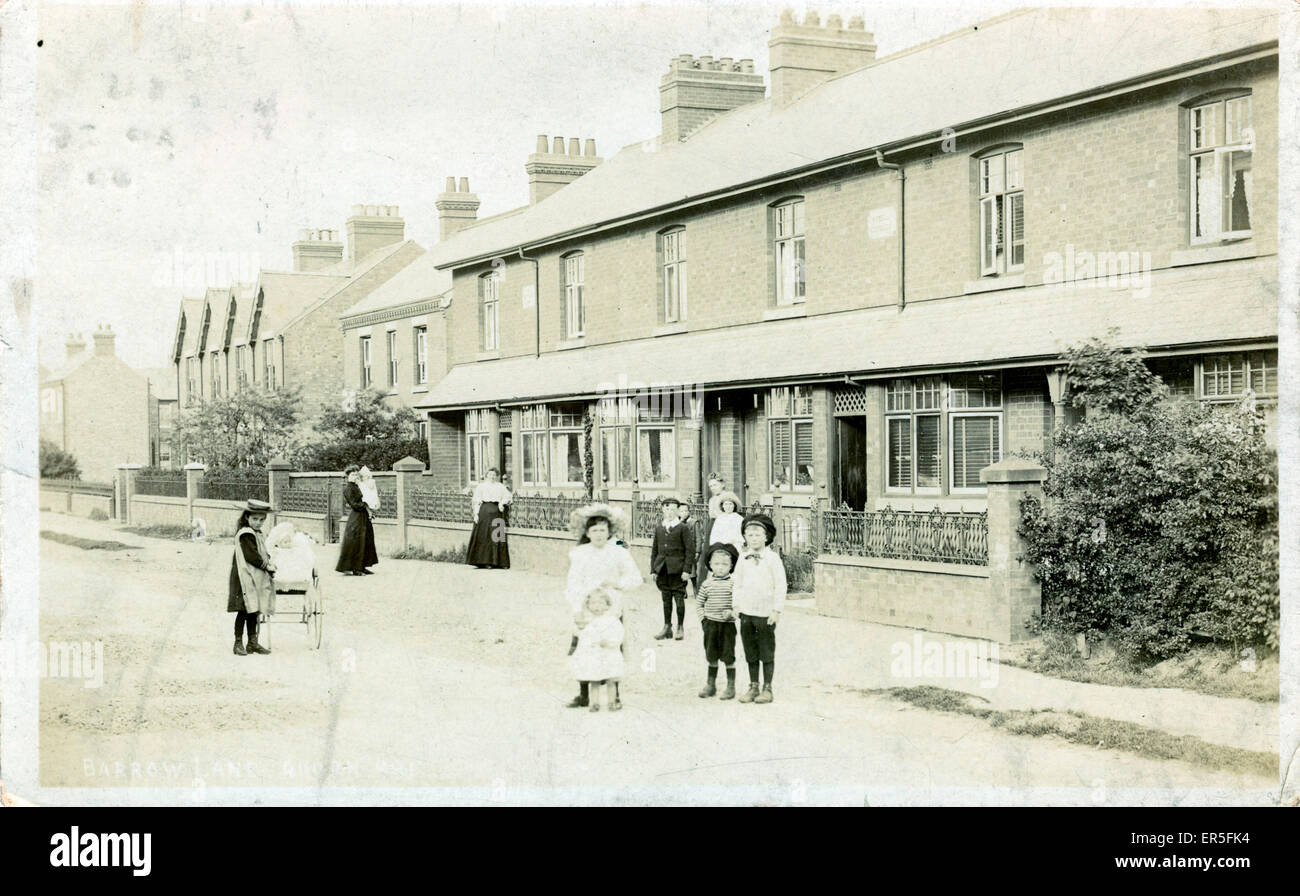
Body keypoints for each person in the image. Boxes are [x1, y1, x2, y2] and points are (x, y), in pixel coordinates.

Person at [564, 504, 643, 708]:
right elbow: (573, 584)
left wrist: (617, 584)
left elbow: (635, 577)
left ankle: (614, 695)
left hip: (611, 608)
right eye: (595, 530)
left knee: (610, 648)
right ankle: (584, 694)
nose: (599, 534)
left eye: (602, 530)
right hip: (587, 608)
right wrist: (577, 609)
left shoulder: (618, 552)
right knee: (585, 648)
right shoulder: (580, 553)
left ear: (609, 532)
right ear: (587, 533)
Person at [733, 513, 786, 704]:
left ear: (766, 537)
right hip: (747, 612)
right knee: (750, 649)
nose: (754, 539)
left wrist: (776, 610)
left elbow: (780, 585)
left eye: (758, 535)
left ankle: (767, 688)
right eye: (750, 535)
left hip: (765, 613)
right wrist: (736, 604)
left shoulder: (772, 559)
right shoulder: (742, 557)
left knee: (766, 649)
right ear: (745, 537)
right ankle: (753, 685)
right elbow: (737, 583)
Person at [228, 499, 276, 656]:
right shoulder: (245, 534)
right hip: (244, 576)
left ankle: (252, 643)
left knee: (254, 609)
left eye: (262, 520)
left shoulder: (257, 533)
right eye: (255, 519)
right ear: (247, 517)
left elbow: (261, 551)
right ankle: (238, 643)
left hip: (253, 576)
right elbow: (251, 556)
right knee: (244, 610)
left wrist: (269, 560)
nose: (258, 523)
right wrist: (266, 566)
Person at [694, 542, 740, 700]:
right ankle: (710, 685)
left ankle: (730, 686)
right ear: (710, 565)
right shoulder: (706, 584)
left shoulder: (734, 584)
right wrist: (703, 621)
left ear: (731, 566)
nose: (720, 568)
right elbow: (699, 604)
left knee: (728, 655)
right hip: (710, 625)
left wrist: (733, 613)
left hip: (727, 626)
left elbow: (739, 604)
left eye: (724, 564)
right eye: (717, 564)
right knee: (711, 655)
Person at [569, 588, 625, 712]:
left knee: (611, 678)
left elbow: (619, 634)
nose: (597, 606)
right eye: (593, 603)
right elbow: (580, 635)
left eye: (600, 603)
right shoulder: (587, 620)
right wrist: (579, 629)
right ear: (588, 605)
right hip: (594, 655)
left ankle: (612, 702)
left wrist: (610, 642)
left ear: (607, 605)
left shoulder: (612, 620)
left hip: (608, 654)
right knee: (594, 679)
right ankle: (594, 703)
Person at [650, 496, 695, 641]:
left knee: (679, 599)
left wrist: (686, 570)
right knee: (666, 599)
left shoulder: (682, 528)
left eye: (673, 509)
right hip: (662, 569)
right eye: (667, 509)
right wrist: (653, 570)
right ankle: (667, 627)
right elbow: (655, 550)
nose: (670, 512)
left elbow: (690, 550)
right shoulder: (659, 528)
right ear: (663, 510)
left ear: (677, 511)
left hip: (678, 570)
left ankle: (680, 627)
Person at [335, 464, 378, 576]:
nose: (355, 477)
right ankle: (356, 568)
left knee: (366, 540)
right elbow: (355, 504)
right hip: (357, 518)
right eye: (352, 475)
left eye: (356, 474)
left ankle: (363, 566)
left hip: (364, 516)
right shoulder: (348, 489)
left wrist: (370, 507)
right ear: (348, 476)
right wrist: (366, 505)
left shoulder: (358, 486)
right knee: (357, 542)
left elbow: (367, 496)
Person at [466, 467, 512, 569]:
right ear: (486, 475)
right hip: (484, 513)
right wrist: (476, 514)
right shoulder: (481, 486)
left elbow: (508, 497)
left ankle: (499, 562)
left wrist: (501, 503)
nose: (492, 476)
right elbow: (477, 501)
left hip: (497, 513)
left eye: (494, 475)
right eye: (490, 474)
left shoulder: (500, 486)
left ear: (497, 476)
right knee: (485, 536)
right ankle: (485, 562)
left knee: (498, 536)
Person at [697, 490, 744, 581]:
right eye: (726, 504)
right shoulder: (720, 518)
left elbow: (741, 535)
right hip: (720, 547)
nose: (728, 506)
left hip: (735, 546)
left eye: (730, 504)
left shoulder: (739, 519)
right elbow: (714, 535)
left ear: (734, 506)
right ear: (722, 506)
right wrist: (715, 546)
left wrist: (734, 541)